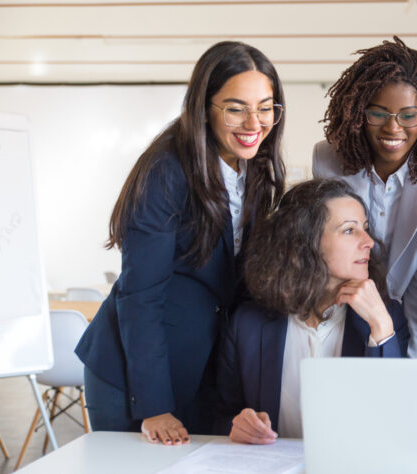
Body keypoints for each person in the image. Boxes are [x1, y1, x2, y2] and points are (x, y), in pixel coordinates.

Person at [75, 41, 287, 445]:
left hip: (201, 366)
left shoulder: (254, 172)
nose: (254, 122)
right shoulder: (166, 171)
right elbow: (141, 296)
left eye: (266, 107)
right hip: (134, 375)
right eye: (236, 107)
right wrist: (153, 405)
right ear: (204, 108)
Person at [313, 37, 417, 358]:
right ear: (360, 110)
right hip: (344, 319)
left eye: (407, 115)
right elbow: (325, 255)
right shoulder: (327, 159)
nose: (392, 127)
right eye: (379, 113)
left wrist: (398, 357)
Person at [215, 179, 409, 443]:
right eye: (349, 231)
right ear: (305, 241)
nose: (369, 242)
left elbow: (396, 425)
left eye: (365, 228)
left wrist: (382, 328)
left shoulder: (387, 318)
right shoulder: (247, 323)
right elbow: (221, 414)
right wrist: (237, 426)